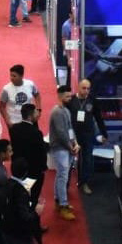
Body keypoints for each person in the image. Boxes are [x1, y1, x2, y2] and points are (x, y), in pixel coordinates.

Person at [68, 78, 108, 196]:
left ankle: (84, 182)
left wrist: (104, 133)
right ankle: (66, 184)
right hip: (74, 135)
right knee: (70, 159)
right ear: (78, 87)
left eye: (88, 89)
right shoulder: (71, 100)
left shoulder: (92, 100)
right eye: (84, 88)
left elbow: (99, 118)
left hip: (87, 134)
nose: (86, 91)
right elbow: (66, 118)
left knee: (87, 159)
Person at [49, 86, 79, 221]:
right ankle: (63, 205)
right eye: (67, 96)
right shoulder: (57, 112)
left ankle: (58, 201)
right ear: (60, 96)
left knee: (61, 175)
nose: (69, 99)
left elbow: (70, 129)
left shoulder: (66, 111)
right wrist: (71, 146)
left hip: (67, 147)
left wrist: (75, 143)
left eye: (70, 96)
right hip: (60, 148)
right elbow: (61, 133)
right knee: (63, 176)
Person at [11, 102, 48, 205]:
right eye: (36, 112)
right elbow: (41, 153)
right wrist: (43, 168)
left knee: (21, 194)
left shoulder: (14, 129)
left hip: (19, 168)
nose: (38, 114)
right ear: (30, 116)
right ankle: (31, 211)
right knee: (33, 197)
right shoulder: (36, 133)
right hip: (33, 171)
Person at [0, 64, 42, 132]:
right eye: (11, 75)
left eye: (14, 76)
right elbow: (2, 106)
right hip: (15, 121)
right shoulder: (6, 89)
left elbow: (37, 95)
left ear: (21, 76)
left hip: (30, 119)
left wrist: (38, 109)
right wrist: (7, 121)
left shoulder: (30, 84)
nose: (11, 78)